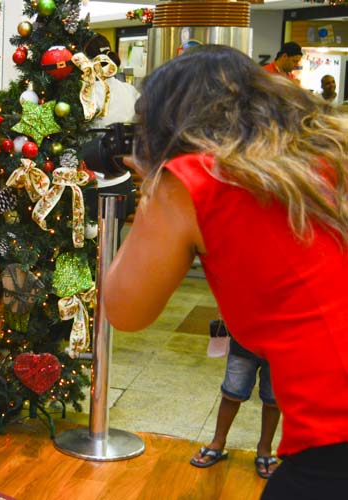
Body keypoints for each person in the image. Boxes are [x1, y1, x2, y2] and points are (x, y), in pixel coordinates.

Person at [103, 45, 348, 498]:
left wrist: (151, 190)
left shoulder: (191, 178)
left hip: (335, 433)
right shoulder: (322, 158)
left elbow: (124, 309)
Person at [190, 334, 281, 480]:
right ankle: (218, 442)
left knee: (273, 399)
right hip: (244, 339)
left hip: (281, 343)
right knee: (231, 393)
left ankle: (265, 449)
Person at [82, 34, 140, 238]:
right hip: (123, 182)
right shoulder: (130, 91)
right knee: (111, 248)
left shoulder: (87, 93)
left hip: (93, 186)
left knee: (90, 255)